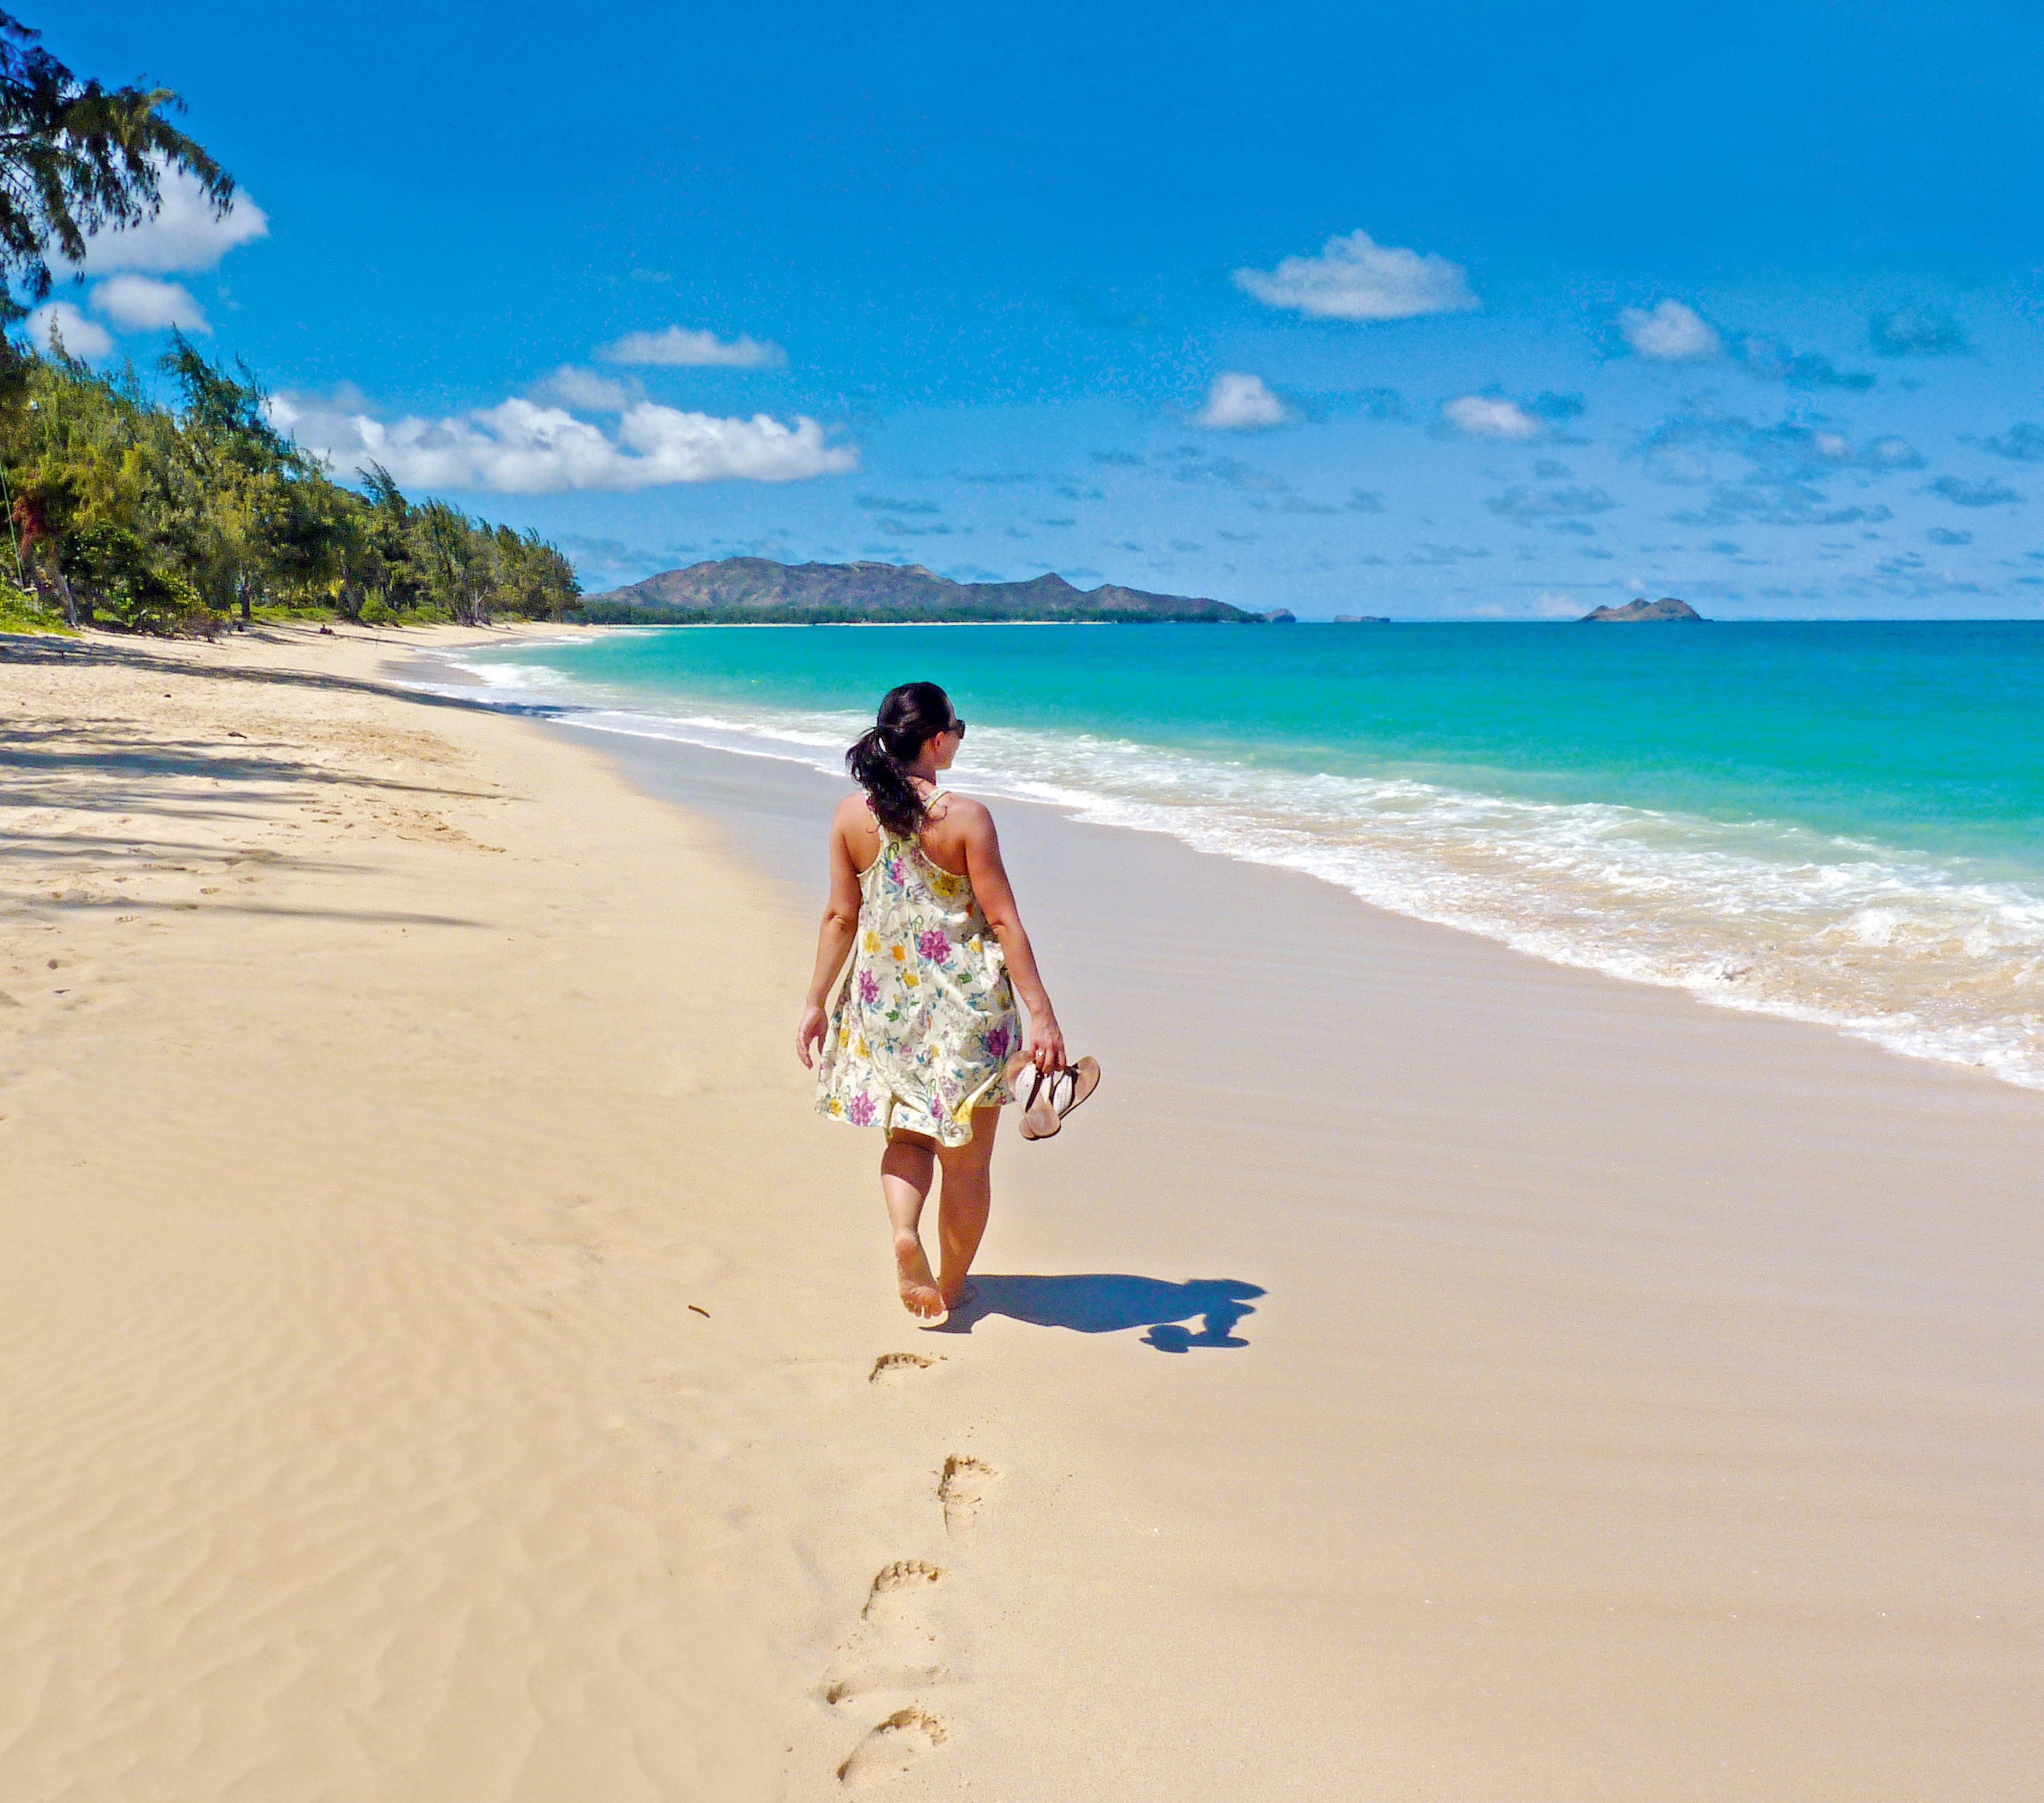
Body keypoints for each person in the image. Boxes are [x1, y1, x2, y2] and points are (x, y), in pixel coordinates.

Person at [797, 681, 1065, 1326]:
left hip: (884, 1006)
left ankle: (903, 1230)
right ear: (936, 741)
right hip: (964, 1011)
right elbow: (1003, 923)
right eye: (958, 730)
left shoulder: (850, 816)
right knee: (967, 1163)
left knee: (908, 1138)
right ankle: (951, 1286)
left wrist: (814, 1000)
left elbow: (840, 915)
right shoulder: (965, 819)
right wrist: (1043, 1015)